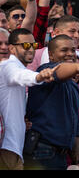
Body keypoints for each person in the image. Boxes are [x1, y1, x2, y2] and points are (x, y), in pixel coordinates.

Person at [24, 35, 79, 170]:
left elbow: (75, 127)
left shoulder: (74, 87)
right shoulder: (44, 72)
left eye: (73, 50)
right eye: (64, 50)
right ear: (51, 55)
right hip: (41, 151)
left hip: (61, 155)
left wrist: (78, 161)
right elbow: (59, 70)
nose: (70, 54)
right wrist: (78, 67)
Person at [0, 28, 55, 170]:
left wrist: (22, 122)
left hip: (13, 146)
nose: (30, 49)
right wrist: (39, 76)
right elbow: (19, 75)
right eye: (25, 45)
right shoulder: (8, 66)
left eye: (33, 45)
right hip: (7, 147)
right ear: (12, 48)